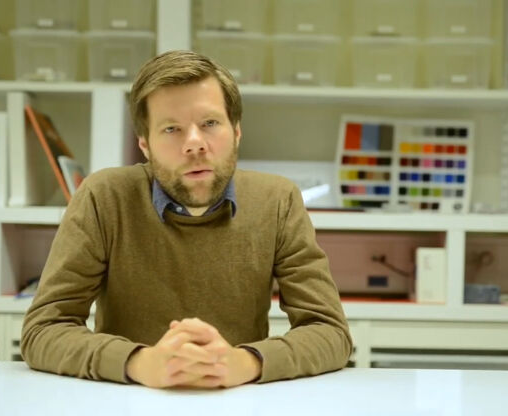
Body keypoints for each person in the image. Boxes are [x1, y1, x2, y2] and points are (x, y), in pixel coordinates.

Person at [21, 50, 352, 389]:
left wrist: (246, 362)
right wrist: (138, 362)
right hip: (126, 402)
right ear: (144, 145)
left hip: (236, 402)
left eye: (209, 123)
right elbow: (43, 331)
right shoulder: (104, 197)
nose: (194, 144)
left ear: (236, 131)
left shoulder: (277, 200)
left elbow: (330, 333)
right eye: (171, 129)